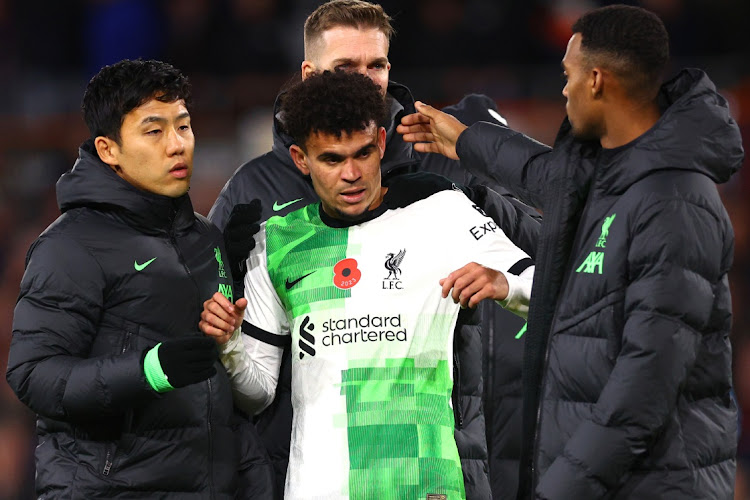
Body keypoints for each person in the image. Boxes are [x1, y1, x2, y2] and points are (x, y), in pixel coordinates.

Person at [398, 4, 743, 499]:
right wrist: (467, 141)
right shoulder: (613, 175)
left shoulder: (674, 202)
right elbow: (547, 175)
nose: (562, 90)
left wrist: (558, 490)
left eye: (568, 75)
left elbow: (644, 387)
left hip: (656, 483)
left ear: (597, 80)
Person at [209, 1, 540, 497]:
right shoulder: (257, 206)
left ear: (381, 145)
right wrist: (226, 336)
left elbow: (552, 262)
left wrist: (485, 187)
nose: (366, 82)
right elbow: (247, 371)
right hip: (304, 468)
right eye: (347, 67)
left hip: (441, 458)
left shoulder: (443, 181)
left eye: (377, 65)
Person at [5, 59, 248, 498]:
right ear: (108, 149)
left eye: (184, 127)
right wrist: (150, 370)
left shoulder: (206, 238)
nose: (177, 146)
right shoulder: (71, 245)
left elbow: (215, 386)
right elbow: (33, 375)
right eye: (154, 131)